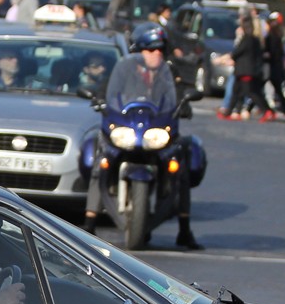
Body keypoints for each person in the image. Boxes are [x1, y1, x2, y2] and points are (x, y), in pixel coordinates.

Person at [84, 24, 201, 249]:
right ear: (138, 51)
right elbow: (107, 90)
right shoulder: (124, 70)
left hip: (157, 130)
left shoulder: (169, 72)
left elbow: (180, 95)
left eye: (160, 49)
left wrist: (184, 105)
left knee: (182, 159)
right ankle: (90, 222)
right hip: (127, 127)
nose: (156, 54)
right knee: (101, 157)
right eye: (150, 49)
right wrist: (99, 100)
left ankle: (184, 228)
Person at [221, 13, 267, 120]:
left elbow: (237, 52)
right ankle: (229, 112)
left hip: (245, 70)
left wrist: (225, 58)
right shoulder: (254, 39)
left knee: (250, 92)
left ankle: (266, 110)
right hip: (243, 70)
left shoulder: (247, 39)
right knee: (236, 91)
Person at [262, 12, 285, 120]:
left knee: (259, 87)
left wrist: (265, 54)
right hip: (276, 66)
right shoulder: (278, 36)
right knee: (277, 88)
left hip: (271, 66)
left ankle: (265, 108)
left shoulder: (271, 37)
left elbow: (271, 52)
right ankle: (284, 108)